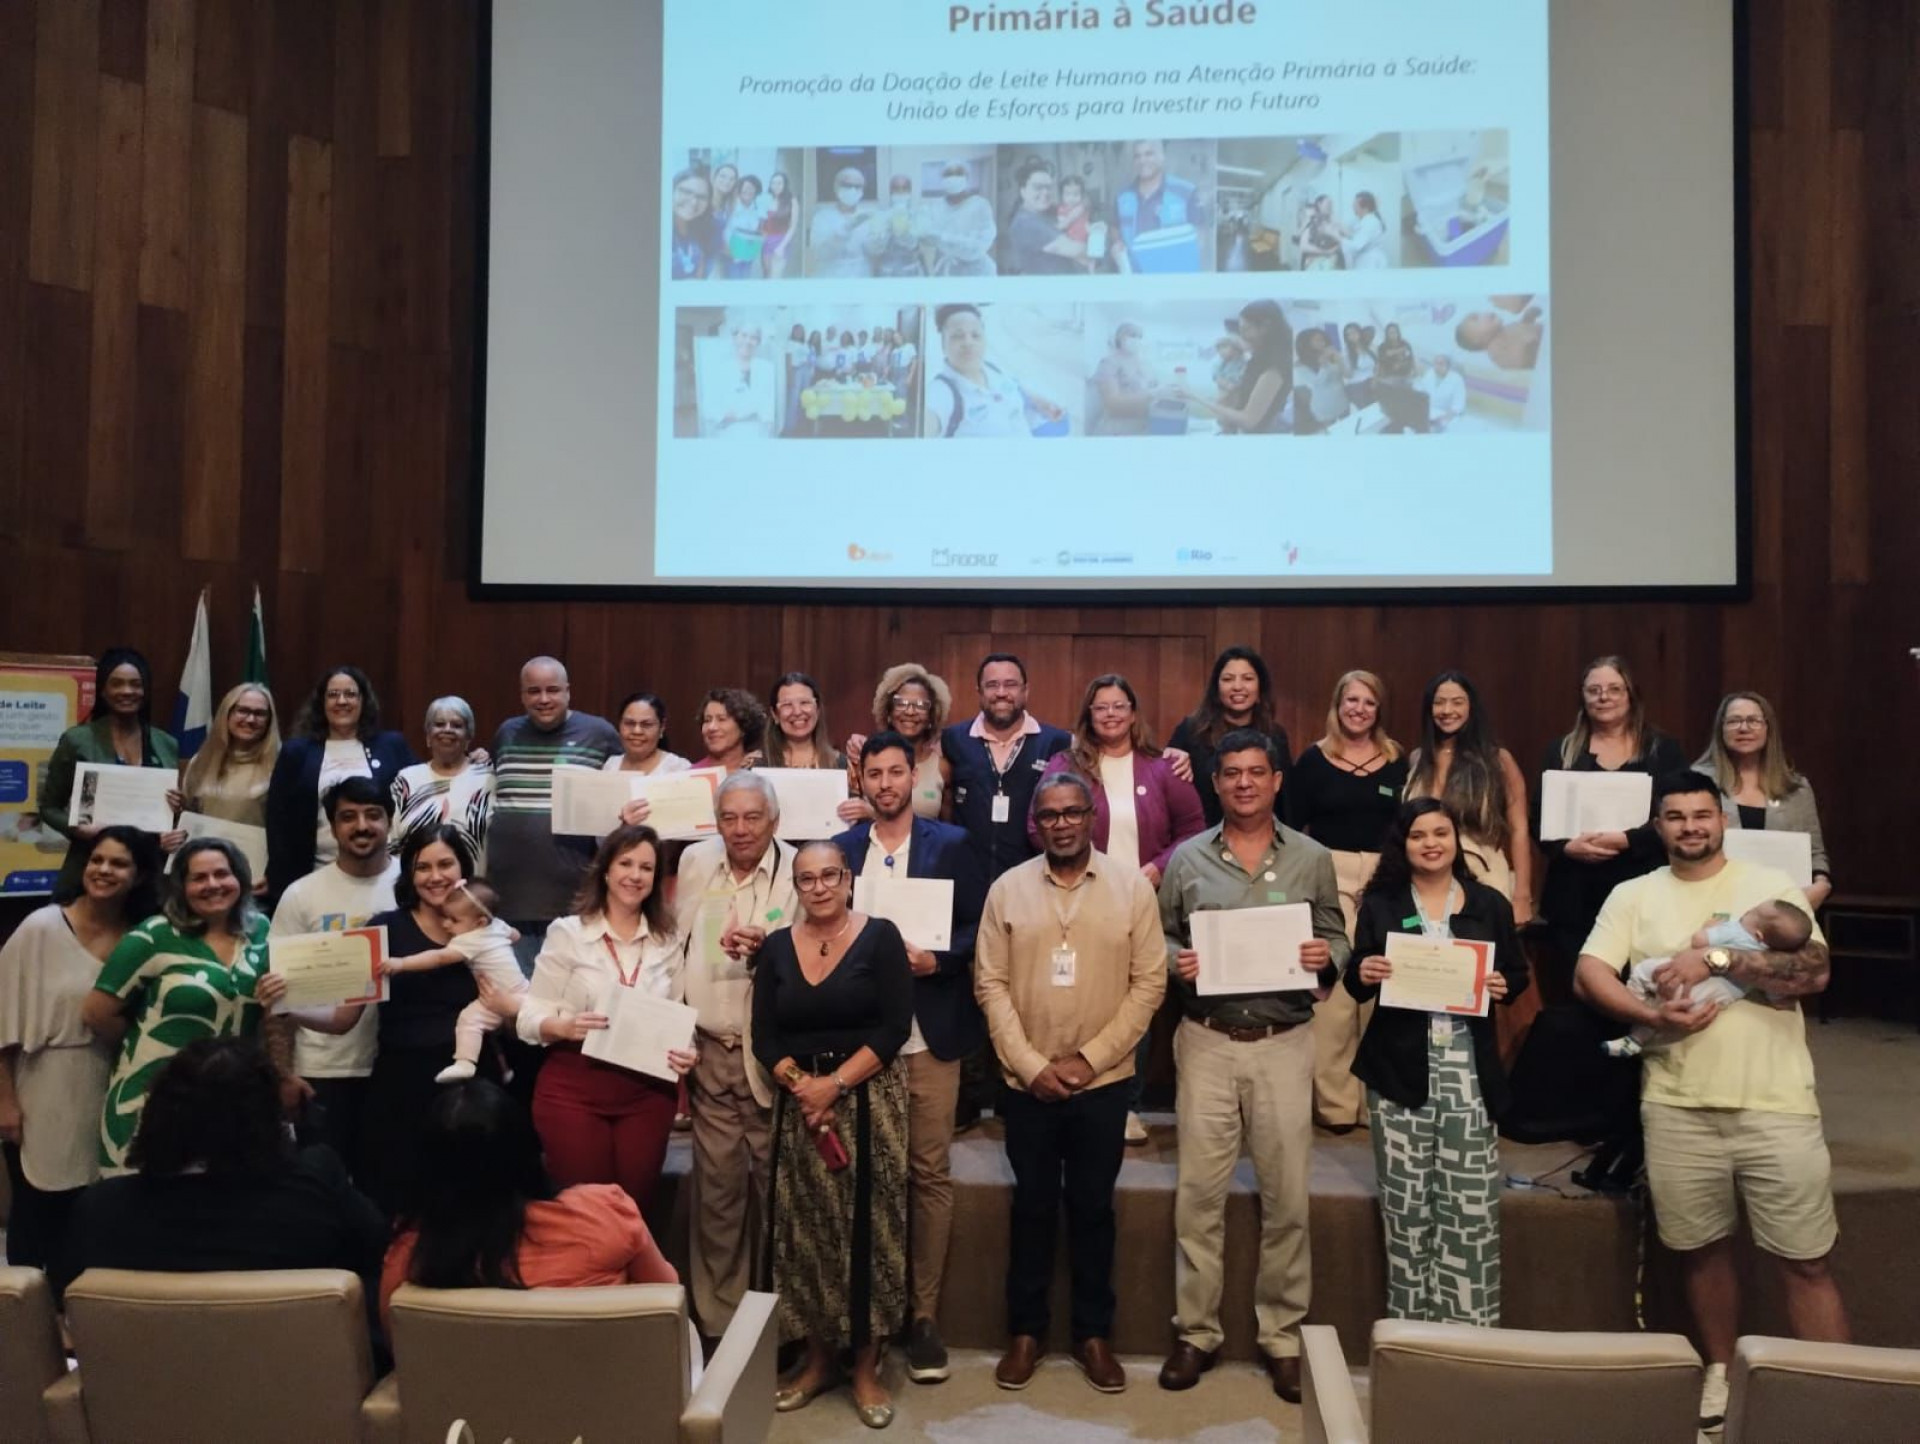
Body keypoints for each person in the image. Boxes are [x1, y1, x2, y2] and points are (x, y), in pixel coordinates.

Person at [1573, 770, 1845, 1433]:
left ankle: (1840, 1391)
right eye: (1675, 817)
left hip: (1775, 1104)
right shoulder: (1632, 893)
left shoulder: (1769, 890)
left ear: (1723, 819)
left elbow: (1814, 971)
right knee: (1702, 1251)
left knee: (1806, 1259)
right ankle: (1721, 1372)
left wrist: (1720, 962)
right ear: (1658, 825)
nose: (1690, 827)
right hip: (1675, 1102)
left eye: (1701, 815)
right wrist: (1650, 1015)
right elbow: (1589, 974)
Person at [1156, 731, 1348, 1401]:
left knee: (1287, 1196)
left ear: (1275, 782)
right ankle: (1196, 1333)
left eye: (1256, 772)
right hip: (1206, 1038)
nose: (1243, 783)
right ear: (1216, 783)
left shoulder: (1313, 858)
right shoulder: (1186, 860)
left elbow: (1336, 933)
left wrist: (1329, 957)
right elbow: (1165, 934)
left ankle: (1282, 1338)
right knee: (1198, 1197)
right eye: (1231, 773)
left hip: (1283, 1039)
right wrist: (1177, 960)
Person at [975, 772, 1164, 1394]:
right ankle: (1025, 1333)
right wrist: (1031, 1066)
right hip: (1026, 1082)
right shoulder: (1006, 890)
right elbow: (990, 984)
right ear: (1036, 822)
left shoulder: (1132, 888)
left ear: (1091, 817)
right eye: (1049, 814)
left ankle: (1093, 1334)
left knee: (1092, 1210)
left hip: (1104, 1083)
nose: (1060, 823)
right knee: (1030, 1206)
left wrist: (1090, 1060)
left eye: (1072, 812)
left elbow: (1150, 984)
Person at [832, 733, 988, 1385]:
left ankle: (922, 1316)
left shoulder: (950, 844)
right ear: (861, 781)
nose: (888, 783)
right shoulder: (840, 853)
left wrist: (940, 958)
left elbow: (980, 926)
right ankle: (864, 1312)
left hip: (930, 1030)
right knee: (866, 1174)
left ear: (913, 777)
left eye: (898, 772)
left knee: (928, 1173)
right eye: (876, 773)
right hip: (862, 1037)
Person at [1346, 798, 1529, 1329]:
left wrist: (1501, 984)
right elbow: (1355, 979)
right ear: (1402, 845)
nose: (1431, 843)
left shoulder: (1488, 903)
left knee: (1469, 1210)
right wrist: (1369, 969)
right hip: (1399, 1071)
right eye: (1419, 835)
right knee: (1406, 1210)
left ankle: (1469, 1336)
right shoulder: (1381, 902)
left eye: (1441, 833)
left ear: (1456, 841)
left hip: (1468, 1069)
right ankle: (1410, 1333)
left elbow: (1515, 974)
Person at [52, 1039, 388, 1321]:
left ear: (156, 1113)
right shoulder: (313, 1186)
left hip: (141, 1392)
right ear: (270, 1118)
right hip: (300, 1387)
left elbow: (69, 1310)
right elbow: (380, 1255)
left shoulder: (100, 1210)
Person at [752, 840, 913, 1428]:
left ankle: (866, 1367)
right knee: (806, 1234)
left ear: (848, 879)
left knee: (868, 1233)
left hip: (868, 1102)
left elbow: (895, 1026)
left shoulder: (882, 937)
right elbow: (764, 1038)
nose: (819, 888)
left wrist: (835, 1086)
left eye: (829, 876)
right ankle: (818, 1360)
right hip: (801, 1109)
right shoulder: (775, 948)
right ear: (795, 887)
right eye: (806, 879)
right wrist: (802, 1085)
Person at [1035, 675, 1204, 1144]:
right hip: (1073, 898)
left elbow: (1193, 828)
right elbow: (1038, 824)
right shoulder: (1064, 764)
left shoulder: (1163, 767)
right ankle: (1066, 1087)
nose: (1109, 714)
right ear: (1088, 716)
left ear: (1133, 712)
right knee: (1077, 994)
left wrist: (1157, 868)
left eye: (1118, 706)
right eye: (1100, 707)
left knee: (1134, 1000)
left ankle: (1125, 1104)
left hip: (1141, 901)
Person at [379, 1078, 676, 1326]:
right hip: (609, 1389)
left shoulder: (412, 1255)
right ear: (530, 1151)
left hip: (465, 1396)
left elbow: (404, 1350)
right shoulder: (606, 1212)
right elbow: (667, 1305)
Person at [298, 825, 485, 1217]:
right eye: (423, 867)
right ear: (409, 875)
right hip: (401, 1086)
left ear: (463, 867)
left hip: (471, 1088)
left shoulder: (484, 925)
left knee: (472, 1204)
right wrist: (286, 1005)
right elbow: (343, 1020)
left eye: (445, 864)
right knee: (398, 1203)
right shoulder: (381, 929)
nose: (435, 876)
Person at [0, 827, 160, 1268]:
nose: (103, 870)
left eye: (118, 863)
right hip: (46, 1084)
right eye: (97, 860)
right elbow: (2, 1022)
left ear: (141, 876)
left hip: (119, 1086)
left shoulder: (145, 938)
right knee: (39, 1212)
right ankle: (33, 1321)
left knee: (99, 1212)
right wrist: (5, 1102)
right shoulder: (41, 927)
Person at [675, 772, 797, 1337]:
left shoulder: (801, 868)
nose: (741, 829)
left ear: (774, 820)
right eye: (730, 818)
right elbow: (678, 947)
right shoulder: (697, 863)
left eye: (753, 818)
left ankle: (784, 1322)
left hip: (773, 1059)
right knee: (717, 1196)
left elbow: (821, 956)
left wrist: (771, 950)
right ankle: (720, 1324)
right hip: (707, 1054)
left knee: (781, 1198)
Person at [518, 825, 696, 1211]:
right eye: (626, 863)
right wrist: (562, 1026)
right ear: (605, 871)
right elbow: (528, 1015)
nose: (635, 875)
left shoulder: (668, 940)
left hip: (647, 1096)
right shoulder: (567, 933)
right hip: (574, 1090)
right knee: (587, 1214)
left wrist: (688, 1052)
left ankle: (636, 1276)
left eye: (646, 867)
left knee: (634, 1213)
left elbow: (680, 1016)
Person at [82, 837, 271, 1173]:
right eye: (198, 878)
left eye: (221, 874)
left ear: (240, 880)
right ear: (181, 887)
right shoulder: (152, 935)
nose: (212, 885)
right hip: (150, 1101)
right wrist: (151, 1045)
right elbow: (96, 1013)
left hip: (230, 1106)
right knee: (145, 1214)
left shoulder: (262, 933)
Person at [1285, 670, 1410, 1132]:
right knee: (1334, 996)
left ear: (1379, 710)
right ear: (1337, 705)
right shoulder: (1313, 761)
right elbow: (1295, 830)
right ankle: (1336, 1106)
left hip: (1388, 878)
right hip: (1329, 877)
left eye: (1369, 702)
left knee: (1381, 989)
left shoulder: (1400, 762)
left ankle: (1374, 1103)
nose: (1359, 709)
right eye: (1351, 700)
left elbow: (1409, 827)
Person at [265, 777, 398, 1179]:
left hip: (395, 1068)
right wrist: (285, 1074)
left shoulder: (415, 885)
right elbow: (276, 997)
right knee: (321, 1187)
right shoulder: (301, 895)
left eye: (373, 815)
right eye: (348, 817)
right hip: (322, 1070)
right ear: (331, 826)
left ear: (390, 822)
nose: (362, 826)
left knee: (387, 1187)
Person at [1536, 655, 1689, 986]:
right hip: (1574, 892)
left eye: (1614, 689)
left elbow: (1678, 815)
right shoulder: (1561, 751)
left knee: (1640, 985)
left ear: (1631, 695)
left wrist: (1629, 840)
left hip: (1642, 884)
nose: (1603, 697)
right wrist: (1567, 848)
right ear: (1583, 697)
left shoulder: (1663, 750)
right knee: (1578, 988)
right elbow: (1538, 819)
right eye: (1594, 690)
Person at [486, 656, 621, 955]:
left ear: (568, 691)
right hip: (508, 902)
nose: (544, 699)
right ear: (522, 695)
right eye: (533, 691)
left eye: (553, 690)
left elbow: (628, 780)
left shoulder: (599, 733)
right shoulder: (507, 733)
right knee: (517, 998)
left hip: (574, 902)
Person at [264, 665, 415, 909]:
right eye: (333, 695)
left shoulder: (391, 746)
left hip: (383, 877)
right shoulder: (297, 752)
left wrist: (471, 759)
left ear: (363, 700)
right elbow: (278, 820)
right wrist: (276, 878)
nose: (341, 701)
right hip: (314, 875)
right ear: (321, 703)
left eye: (350, 694)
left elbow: (421, 792)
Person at [40, 648, 183, 897]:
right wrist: (76, 827)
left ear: (145, 691)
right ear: (103, 690)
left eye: (135, 684)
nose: (127, 691)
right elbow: (49, 807)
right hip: (91, 869)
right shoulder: (77, 741)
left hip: (148, 876)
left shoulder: (166, 743)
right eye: (116, 683)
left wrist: (177, 808)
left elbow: (166, 816)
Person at [1603, 900, 1814, 1058]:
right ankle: (1635, 1040)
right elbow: (1775, 996)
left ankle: (1633, 1006)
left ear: (1758, 935)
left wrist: (1709, 928)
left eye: (1754, 912)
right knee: (1668, 1008)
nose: (1749, 911)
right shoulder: (1770, 962)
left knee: (1643, 971)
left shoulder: (1737, 931)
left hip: (1685, 978)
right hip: (1716, 997)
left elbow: (1698, 942)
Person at [1404, 670, 1535, 922]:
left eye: (1457, 702)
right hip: (1424, 882)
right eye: (1439, 702)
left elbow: (1519, 830)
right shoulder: (1417, 759)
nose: (1447, 710)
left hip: (1482, 877)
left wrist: (1522, 895)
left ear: (1471, 707)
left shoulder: (1497, 760)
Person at [376, 879, 525, 1084]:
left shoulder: (469, 940)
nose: (446, 924)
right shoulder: (498, 925)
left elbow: (437, 958)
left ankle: (465, 1063)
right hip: (522, 991)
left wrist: (401, 963)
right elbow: (515, 936)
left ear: (480, 923)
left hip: (491, 999)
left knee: (468, 1020)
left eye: (454, 920)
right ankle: (505, 1069)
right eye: (446, 917)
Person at [942, 653, 1073, 882]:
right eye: (992, 685)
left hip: (1033, 879)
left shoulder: (1056, 742)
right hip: (967, 879)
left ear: (1026, 690)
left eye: (1011, 684)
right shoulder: (954, 739)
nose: (1001, 692)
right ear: (979, 692)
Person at [1697, 692, 1832, 909]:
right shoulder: (1697, 782)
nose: (1744, 728)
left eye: (1753, 721)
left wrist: (1822, 885)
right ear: (1720, 729)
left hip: (1785, 907)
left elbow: (1815, 853)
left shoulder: (1796, 789)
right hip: (1714, 904)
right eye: (1734, 721)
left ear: (1768, 729)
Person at [1169, 645, 1295, 827]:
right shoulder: (1191, 731)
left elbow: (1286, 803)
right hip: (1201, 842)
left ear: (1260, 687)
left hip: (1262, 841)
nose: (1237, 687)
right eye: (1228, 679)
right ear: (1216, 688)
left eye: (1248, 679)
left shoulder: (1275, 735)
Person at [924, 303, 1065, 439]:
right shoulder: (941, 392)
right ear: (943, 344)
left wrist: (1040, 402)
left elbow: (1013, 387)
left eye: (976, 335)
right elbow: (925, 422)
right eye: (957, 336)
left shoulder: (992, 369)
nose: (968, 342)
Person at [388, 695, 494, 860]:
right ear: (428, 736)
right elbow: (390, 841)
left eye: (457, 725)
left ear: (468, 737)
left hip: (472, 884)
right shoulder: (407, 780)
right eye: (439, 724)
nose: (447, 729)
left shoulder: (487, 779)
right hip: (416, 883)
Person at [843, 663, 953, 821]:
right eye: (901, 703)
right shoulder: (865, 756)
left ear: (931, 716)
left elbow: (947, 831)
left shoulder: (942, 768)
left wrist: (874, 814)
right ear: (888, 712)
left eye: (921, 705)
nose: (910, 712)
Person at [173, 683, 280, 834]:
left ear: (269, 721)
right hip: (205, 852)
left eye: (259, 714)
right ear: (227, 714)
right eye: (243, 711)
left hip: (255, 855)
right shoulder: (200, 761)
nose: (250, 719)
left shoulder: (280, 765)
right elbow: (188, 818)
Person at [1181, 300, 1293, 433]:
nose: (1243, 337)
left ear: (1265, 328)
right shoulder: (1257, 360)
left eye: (1246, 329)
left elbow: (1248, 420)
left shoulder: (1275, 368)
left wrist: (1195, 397)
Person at [1114, 139, 1207, 272]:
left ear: (1162, 157)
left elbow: (1200, 238)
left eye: (1149, 154)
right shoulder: (1122, 197)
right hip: (1135, 278)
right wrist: (1117, 243)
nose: (1142, 161)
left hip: (1173, 277)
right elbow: (1115, 228)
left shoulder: (1186, 192)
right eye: (1137, 156)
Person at [1004, 158, 1087, 276]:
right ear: (1023, 191)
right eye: (1038, 187)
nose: (1045, 193)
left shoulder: (1047, 211)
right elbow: (1077, 251)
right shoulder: (1025, 223)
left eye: (1049, 187)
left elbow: (1082, 204)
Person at [1088, 322, 1169, 436]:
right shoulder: (1109, 363)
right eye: (1132, 335)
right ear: (1119, 337)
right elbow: (1112, 405)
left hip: (1142, 426)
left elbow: (1152, 387)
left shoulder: (1144, 364)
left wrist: (1163, 390)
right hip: (1117, 430)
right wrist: (1152, 394)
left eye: (1140, 337)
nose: (1136, 339)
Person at [924, 160, 997, 277]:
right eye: (948, 174)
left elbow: (979, 245)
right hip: (944, 274)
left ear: (967, 177)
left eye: (958, 174)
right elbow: (927, 236)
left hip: (977, 274)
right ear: (942, 179)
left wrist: (944, 237)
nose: (953, 178)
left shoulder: (980, 205)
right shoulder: (935, 207)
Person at [761, 672, 847, 771]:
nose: (797, 712)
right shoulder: (758, 765)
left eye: (804, 702)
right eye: (787, 704)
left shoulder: (840, 764)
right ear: (775, 714)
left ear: (817, 709)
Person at [808, 166, 880, 278]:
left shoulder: (867, 217)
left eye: (857, 186)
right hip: (830, 279)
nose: (853, 190)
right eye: (847, 185)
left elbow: (874, 251)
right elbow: (820, 253)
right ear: (836, 187)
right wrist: (844, 230)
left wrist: (880, 240)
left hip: (860, 279)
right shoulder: (822, 217)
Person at [693, 686, 768, 773]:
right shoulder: (691, 776)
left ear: (743, 726)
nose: (711, 727)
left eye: (722, 719)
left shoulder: (762, 770)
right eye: (707, 720)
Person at [1455, 296, 1544, 369]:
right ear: (1477, 340)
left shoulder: (1505, 329)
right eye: (1476, 318)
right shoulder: (1495, 349)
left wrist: (1528, 317)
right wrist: (1528, 350)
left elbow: (1521, 328)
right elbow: (1516, 363)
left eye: (1479, 314)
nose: (1484, 314)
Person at [1292, 329, 1351, 434]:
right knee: (1331, 436)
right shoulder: (1300, 366)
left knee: (1349, 430)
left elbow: (1348, 375)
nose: (1322, 343)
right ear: (1306, 343)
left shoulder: (1331, 355)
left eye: (1323, 339)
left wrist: (1340, 360)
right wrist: (1323, 365)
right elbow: (1317, 384)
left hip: (1342, 401)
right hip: (1323, 407)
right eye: (1317, 340)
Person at [669, 167, 719, 279]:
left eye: (702, 197)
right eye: (686, 192)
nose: (694, 202)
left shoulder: (702, 229)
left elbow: (701, 263)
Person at [874, 174, 926, 278]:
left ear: (910, 191)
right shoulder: (881, 216)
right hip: (887, 272)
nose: (900, 192)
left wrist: (907, 233)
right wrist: (886, 229)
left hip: (912, 271)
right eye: (896, 188)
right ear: (890, 192)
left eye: (904, 188)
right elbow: (875, 248)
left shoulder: (918, 215)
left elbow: (920, 245)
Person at [723, 173, 767, 278]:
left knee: (745, 279)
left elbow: (761, 231)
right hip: (731, 252)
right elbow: (724, 229)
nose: (748, 191)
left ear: (756, 191)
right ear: (739, 190)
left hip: (748, 253)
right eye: (745, 188)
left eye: (752, 188)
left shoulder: (758, 208)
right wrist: (728, 249)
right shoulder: (731, 206)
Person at [760, 170, 799, 277]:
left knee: (775, 277)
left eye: (779, 183)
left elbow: (793, 227)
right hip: (766, 242)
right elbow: (762, 222)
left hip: (781, 241)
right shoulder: (766, 199)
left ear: (784, 185)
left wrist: (782, 246)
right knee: (766, 276)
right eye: (773, 183)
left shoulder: (792, 200)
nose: (776, 186)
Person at [1338, 190, 1388, 269]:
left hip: (1371, 263)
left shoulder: (1371, 222)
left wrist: (1335, 236)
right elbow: (1354, 233)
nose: (1353, 207)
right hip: (1365, 261)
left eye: (1355, 205)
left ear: (1365, 208)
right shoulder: (1362, 220)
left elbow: (1356, 245)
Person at [1419, 353, 1468, 429]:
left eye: (1441, 364)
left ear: (1448, 366)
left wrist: (1445, 417)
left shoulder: (1457, 379)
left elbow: (1459, 404)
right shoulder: (1429, 373)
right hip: (1428, 411)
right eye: (1435, 363)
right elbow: (1420, 391)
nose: (1437, 366)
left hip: (1447, 415)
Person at [1341, 323, 1377, 410]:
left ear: (1360, 332)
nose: (1351, 336)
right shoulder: (1346, 352)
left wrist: (1376, 378)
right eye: (1348, 334)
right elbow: (1348, 375)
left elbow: (1377, 364)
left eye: (1353, 332)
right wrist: (1339, 362)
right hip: (1357, 386)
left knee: (1379, 408)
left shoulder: (1369, 347)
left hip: (1373, 381)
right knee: (1368, 411)